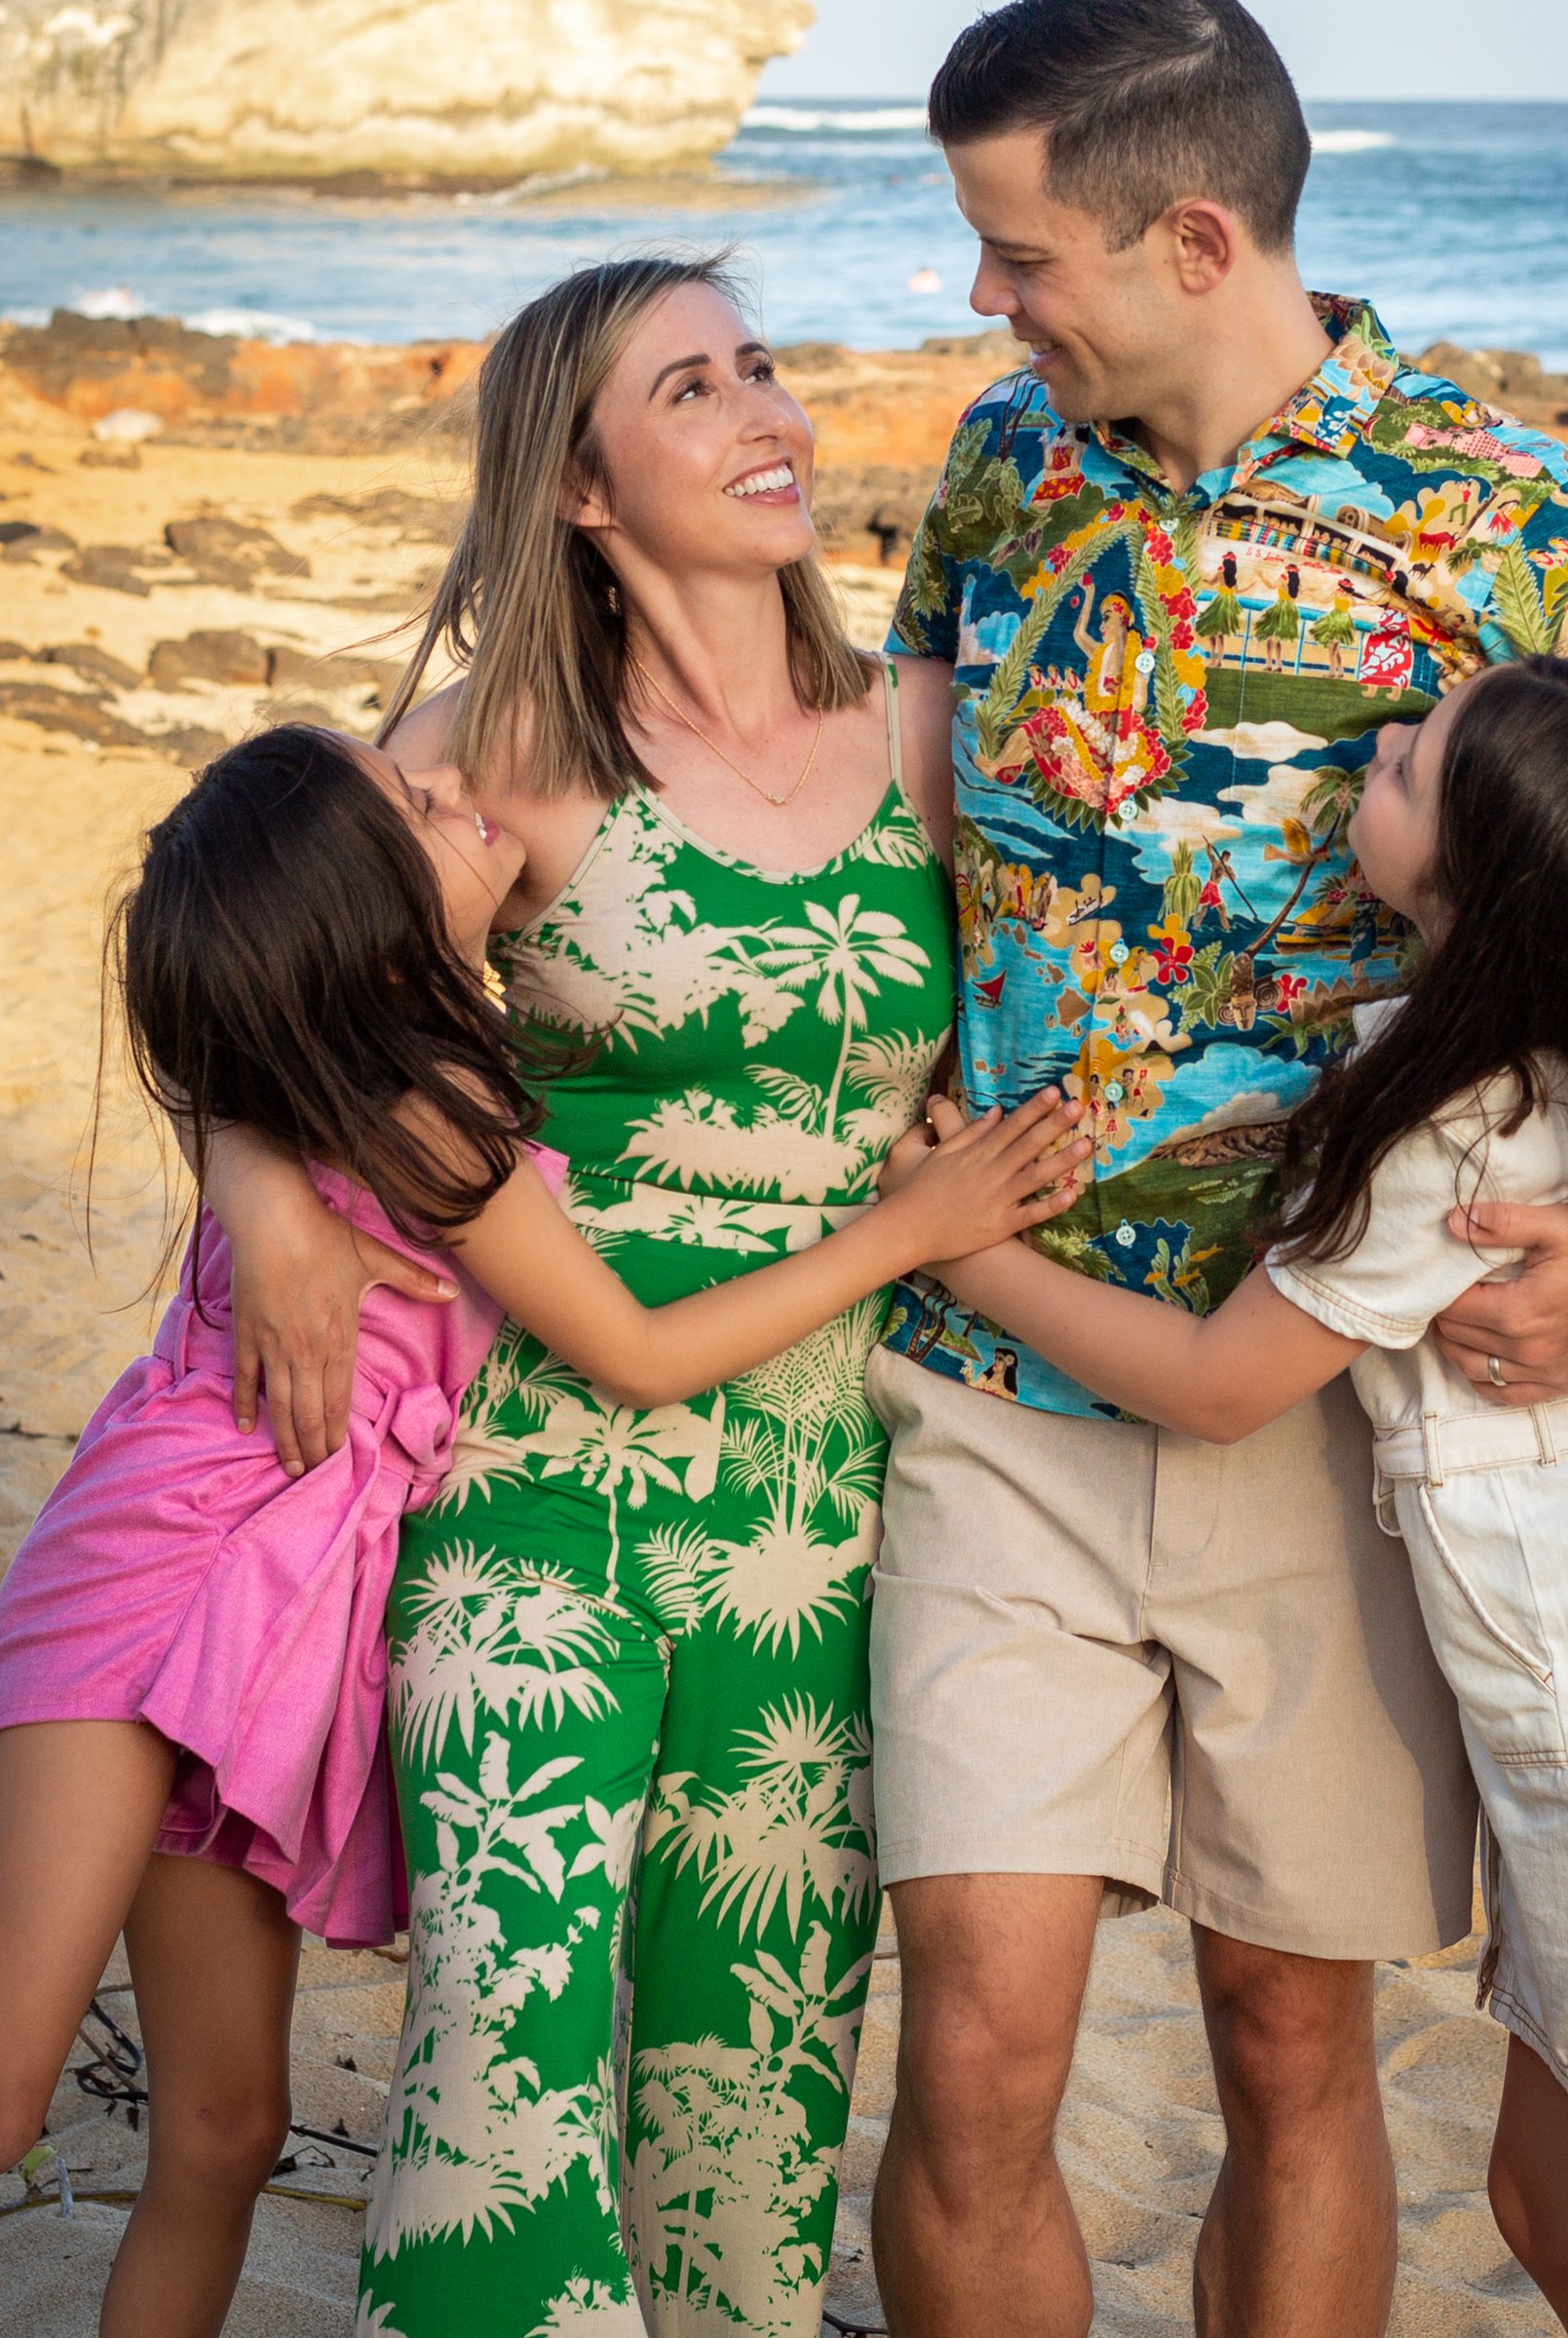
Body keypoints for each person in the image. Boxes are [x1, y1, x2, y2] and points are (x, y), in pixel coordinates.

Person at [872, 0, 1568, 2338]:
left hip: (1334, 1421)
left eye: (1019, 252)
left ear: (1193, 239)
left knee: (1291, 2045)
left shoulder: (1509, 526)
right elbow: (879, 826)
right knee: (973, 2047)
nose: (983, 300)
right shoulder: (999, 469)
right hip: (990, 1394)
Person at [0, 720, 1079, 2338]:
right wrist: (906, 1231)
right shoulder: (420, 1100)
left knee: (222, 2134)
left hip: (296, 1613)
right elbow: (632, 1352)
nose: (458, 790)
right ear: (363, 925)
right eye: (419, 806)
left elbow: (225, 989)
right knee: (11, 2079)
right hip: (163, 1574)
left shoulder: (393, 1057)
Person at [903, 653, 1568, 2338]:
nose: (1389, 738)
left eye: (1418, 761)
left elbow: (1220, 1387)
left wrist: (962, 1250)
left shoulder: (1458, 1139)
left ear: (1479, 895)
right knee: (1548, 2207)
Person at [195, 255, 977, 2337]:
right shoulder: (494, 752)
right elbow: (256, 977)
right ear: (578, 484)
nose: (766, 414)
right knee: (499, 2062)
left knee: (753, 2096)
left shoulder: (927, 733)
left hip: (827, 1511)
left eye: (762, 367)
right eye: (692, 388)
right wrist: (262, 1185)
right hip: (534, 1483)